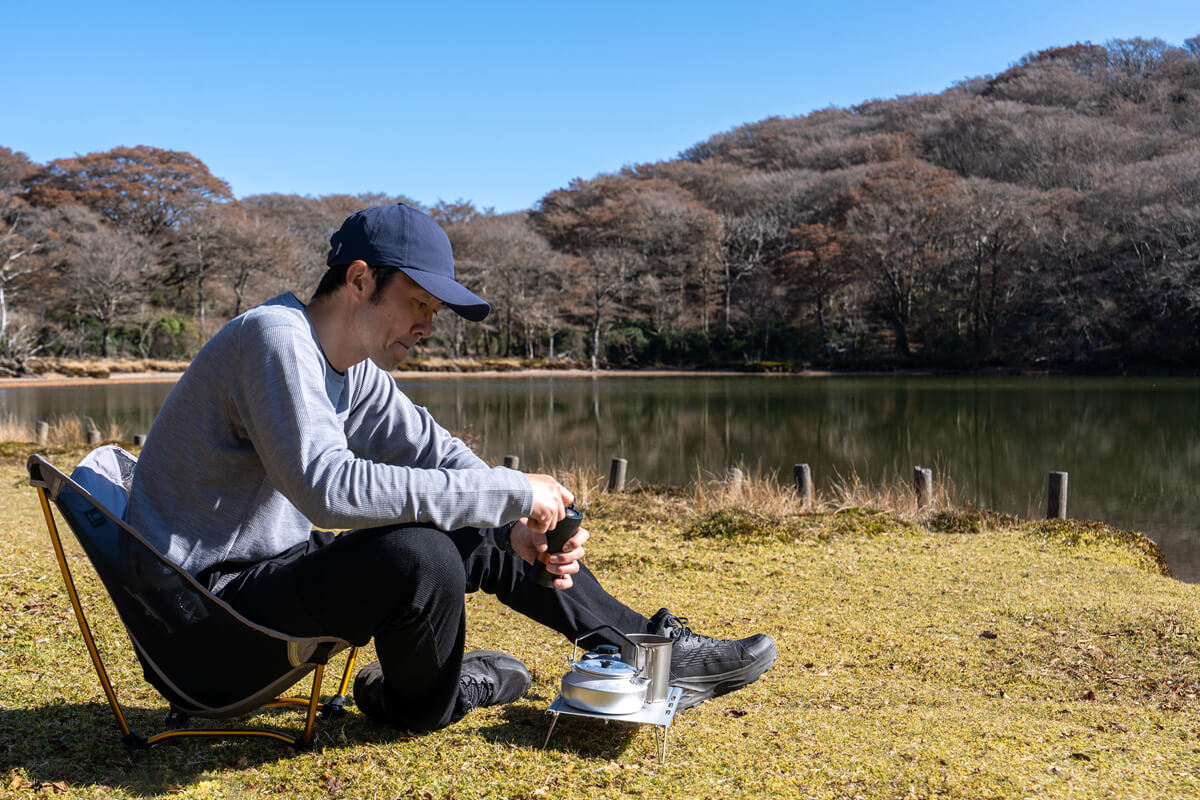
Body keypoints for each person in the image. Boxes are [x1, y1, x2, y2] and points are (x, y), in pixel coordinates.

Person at [126, 203, 776, 732]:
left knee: (475, 529)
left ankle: (649, 650)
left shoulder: (354, 371)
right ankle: (435, 696)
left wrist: (515, 522)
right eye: (419, 304)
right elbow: (327, 488)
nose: (427, 326)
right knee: (421, 552)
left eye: (433, 313)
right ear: (360, 280)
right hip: (203, 630)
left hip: (260, 592)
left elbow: (440, 456)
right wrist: (506, 491)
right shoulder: (274, 338)